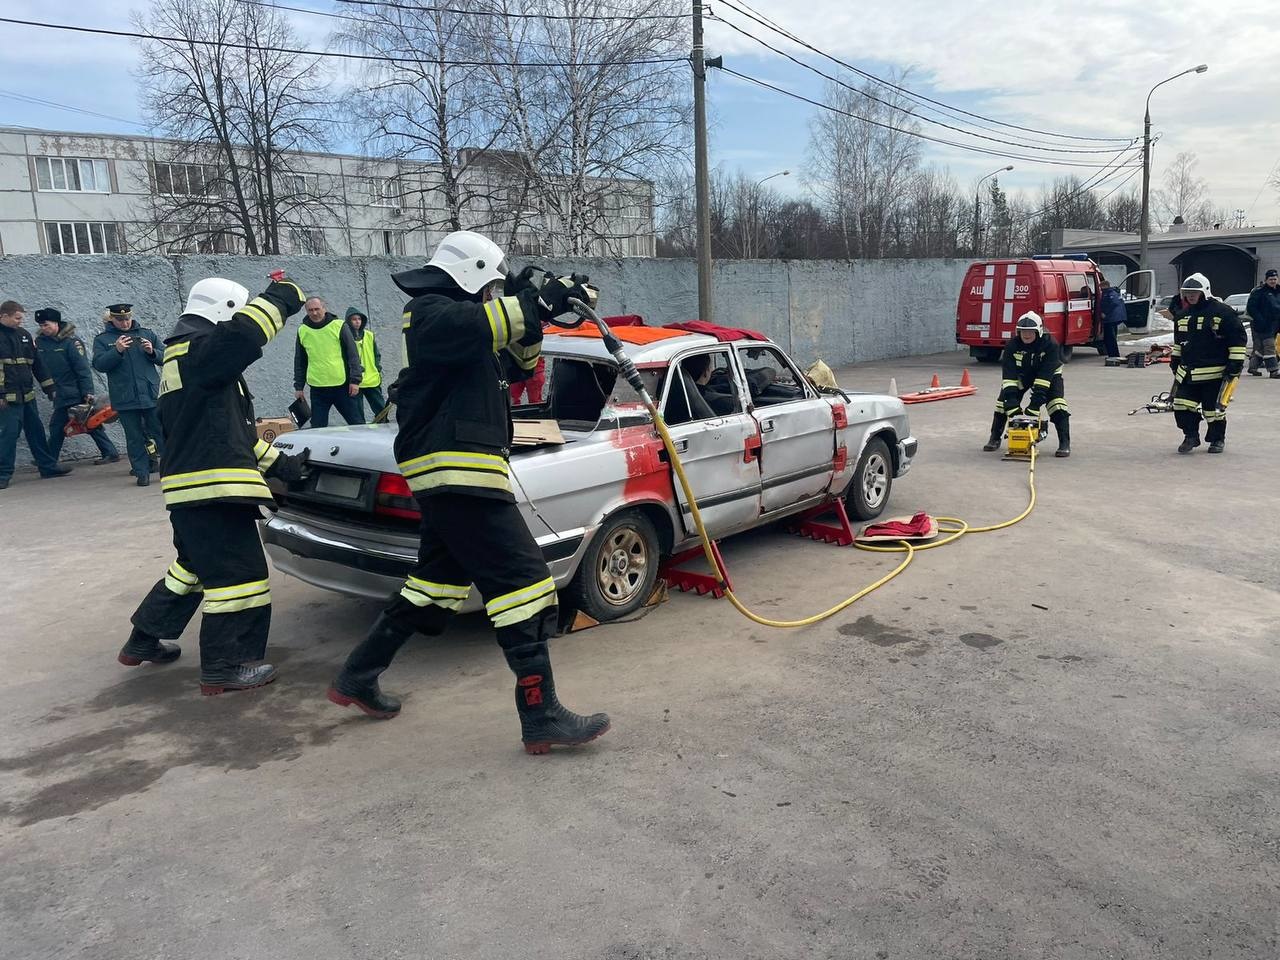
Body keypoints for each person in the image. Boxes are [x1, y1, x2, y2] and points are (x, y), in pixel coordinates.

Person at [326, 232, 610, 755]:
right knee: (524, 582)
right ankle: (540, 713)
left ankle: (357, 676)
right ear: (476, 273)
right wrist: (531, 303)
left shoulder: (471, 336)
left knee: (434, 586)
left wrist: (537, 311)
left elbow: (520, 366)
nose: (494, 295)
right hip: (458, 470)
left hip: (458, 473)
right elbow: (473, 324)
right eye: (493, 284)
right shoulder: (431, 312)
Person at [119, 276, 310, 695]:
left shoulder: (180, 361)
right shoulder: (200, 351)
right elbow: (241, 336)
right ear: (224, 311)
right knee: (240, 579)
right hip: (214, 493)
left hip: (193, 492)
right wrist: (281, 297)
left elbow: (226, 437)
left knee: (193, 567)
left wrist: (285, 465)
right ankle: (227, 665)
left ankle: (144, 639)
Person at [1170, 273, 1247, 454]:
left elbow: (1237, 339)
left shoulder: (1223, 312)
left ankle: (1217, 439)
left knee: (1213, 411)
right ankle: (1191, 436)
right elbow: (1179, 342)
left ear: (1204, 291)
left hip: (1216, 373)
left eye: (1194, 292)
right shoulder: (1182, 315)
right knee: (1181, 405)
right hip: (1188, 372)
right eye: (1187, 292)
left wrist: (1234, 366)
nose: (1190, 295)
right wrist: (1175, 361)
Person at [34, 308, 120, 465]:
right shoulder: (40, 343)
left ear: (56, 323)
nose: (43, 328)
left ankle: (48, 460)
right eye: (41, 325)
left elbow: (82, 369)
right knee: (88, 424)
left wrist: (87, 392)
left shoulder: (71, 342)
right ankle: (110, 452)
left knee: (62, 425)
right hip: (58, 392)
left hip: (73, 391)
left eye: (46, 325)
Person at [0, 300, 71, 489]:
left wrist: (50, 388)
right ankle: (3, 474)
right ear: (3, 316)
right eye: (17, 318)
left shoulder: (24, 336)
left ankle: (47, 467)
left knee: (36, 433)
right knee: (8, 435)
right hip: (7, 399)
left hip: (27, 396)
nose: (20, 322)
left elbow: (37, 364)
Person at [92, 303, 164, 486]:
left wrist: (152, 352)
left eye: (127, 319)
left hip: (149, 394)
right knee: (134, 437)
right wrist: (116, 351)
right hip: (125, 397)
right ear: (112, 319)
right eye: (120, 320)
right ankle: (142, 473)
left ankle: (171, 469)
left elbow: (166, 356)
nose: (124, 323)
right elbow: (99, 364)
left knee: (160, 432)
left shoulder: (146, 334)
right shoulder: (103, 339)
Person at [982, 310, 1071, 458]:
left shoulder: (1051, 345)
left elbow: (1044, 378)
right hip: (1022, 376)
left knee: (1057, 404)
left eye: (1030, 331)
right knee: (1001, 404)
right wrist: (1011, 403)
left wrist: (1034, 406)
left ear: (1039, 331)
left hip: (1049, 376)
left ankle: (1064, 444)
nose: (1026, 335)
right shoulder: (1012, 345)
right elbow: (1009, 375)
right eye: (1023, 331)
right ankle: (994, 438)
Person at [293, 297, 364, 427]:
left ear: (324, 308)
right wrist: (299, 387)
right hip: (318, 388)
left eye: (317, 309)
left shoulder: (339, 326)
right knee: (317, 428)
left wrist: (355, 381)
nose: (314, 313)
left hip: (343, 387)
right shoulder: (302, 330)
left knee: (357, 424)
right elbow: (300, 361)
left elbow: (353, 355)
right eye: (310, 310)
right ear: (306, 311)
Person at [346, 307, 387, 416]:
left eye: (359, 319)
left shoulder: (369, 335)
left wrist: (378, 368)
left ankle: (383, 426)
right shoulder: (345, 336)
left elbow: (376, 354)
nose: (357, 321)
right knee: (357, 414)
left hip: (372, 378)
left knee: (381, 410)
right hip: (355, 381)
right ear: (348, 321)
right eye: (354, 319)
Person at [1245, 268, 1280, 378]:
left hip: (1276, 324)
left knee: (1260, 348)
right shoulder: (1259, 292)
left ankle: (1253, 367)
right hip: (1263, 324)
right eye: (1270, 279)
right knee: (1269, 346)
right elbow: (1251, 307)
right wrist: (1260, 320)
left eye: (1274, 279)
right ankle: (1273, 370)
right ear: (1266, 280)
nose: (1273, 281)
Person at [1097, 278, 1127, 363]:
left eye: (1101, 286)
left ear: (1105, 286)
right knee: (1111, 337)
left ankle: (1114, 355)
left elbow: (1113, 304)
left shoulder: (1110, 293)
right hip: (1113, 318)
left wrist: (1105, 313)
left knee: (1110, 337)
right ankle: (1112, 354)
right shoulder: (1112, 292)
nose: (1100, 288)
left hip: (1111, 318)